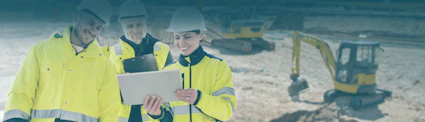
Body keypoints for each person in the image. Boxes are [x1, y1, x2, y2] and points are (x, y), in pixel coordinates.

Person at [2, 0, 121, 121]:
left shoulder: (105, 66)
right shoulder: (41, 50)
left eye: (98, 27)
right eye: (90, 23)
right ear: (76, 17)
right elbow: (22, 91)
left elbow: (110, 110)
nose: (93, 31)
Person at [152, 7, 237, 122]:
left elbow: (226, 111)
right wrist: (157, 114)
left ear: (201, 35)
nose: (181, 43)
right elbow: (168, 117)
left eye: (187, 36)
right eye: (177, 37)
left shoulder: (218, 66)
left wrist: (199, 99)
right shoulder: (168, 70)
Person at [104, 0, 173, 122]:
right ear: (122, 25)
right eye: (130, 26)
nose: (135, 30)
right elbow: (104, 90)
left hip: (154, 117)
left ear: (146, 22)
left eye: (139, 24)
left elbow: (171, 88)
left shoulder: (163, 50)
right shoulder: (111, 52)